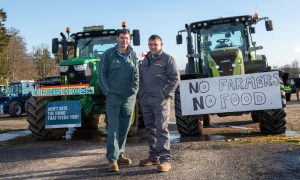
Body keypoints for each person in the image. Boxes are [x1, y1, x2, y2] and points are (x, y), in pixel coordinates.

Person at [98, 29, 139, 172]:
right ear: (117, 38)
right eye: (122, 38)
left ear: (130, 39)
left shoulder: (133, 55)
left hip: (129, 97)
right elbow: (101, 76)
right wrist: (108, 92)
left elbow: (136, 74)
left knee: (125, 127)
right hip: (113, 97)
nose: (124, 40)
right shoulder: (108, 54)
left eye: (127, 38)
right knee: (113, 128)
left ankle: (120, 154)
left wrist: (134, 90)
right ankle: (112, 160)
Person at [138, 35, 180, 172]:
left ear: (161, 44)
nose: (152, 47)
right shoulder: (145, 60)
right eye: (150, 44)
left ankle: (165, 160)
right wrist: (141, 95)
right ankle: (153, 157)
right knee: (150, 128)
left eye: (155, 44)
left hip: (160, 100)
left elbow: (175, 78)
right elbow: (140, 78)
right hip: (146, 100)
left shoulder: (168, 59)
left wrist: (165, 94)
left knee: (161, 128)